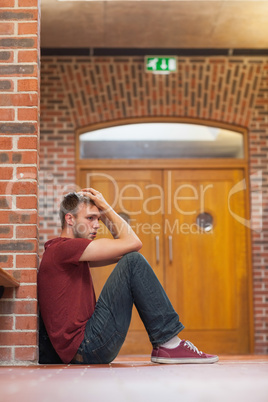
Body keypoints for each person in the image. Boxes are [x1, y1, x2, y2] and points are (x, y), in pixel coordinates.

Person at [38, 188, 219, 365]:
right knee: (133, 261)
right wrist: (106, 207)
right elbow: (134, 243)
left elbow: (127, 248)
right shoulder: (64, 248)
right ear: (70, 219)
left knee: (131, 260)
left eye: (98, 219)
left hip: (85, 347)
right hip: (86, 347)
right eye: (90, 218)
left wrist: (105, 213)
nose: (96, 225)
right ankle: (169, 343)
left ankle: (168, 343)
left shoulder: (68, 254)